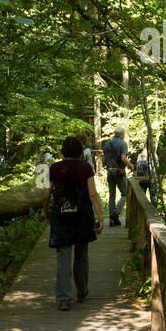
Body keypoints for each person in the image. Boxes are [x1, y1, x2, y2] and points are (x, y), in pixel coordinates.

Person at [43, 134, 103, 310]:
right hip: (82, 216)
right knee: (82, 254)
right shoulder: (86, 168)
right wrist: (100, 217)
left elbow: (46, 194)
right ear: (79, 150)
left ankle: (63, 298)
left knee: (63, 256)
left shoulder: (54, 169)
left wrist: (45, 211)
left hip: (61, 217)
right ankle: (82, 291)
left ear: (63, 151)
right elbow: (92, 194)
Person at [102, 126, 130, 226]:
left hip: (109, 171)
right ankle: (116, 212)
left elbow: (104, 160)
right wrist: (131, 165)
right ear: (122, 134)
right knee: (125, 194)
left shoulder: (107, 144)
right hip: (119, 171)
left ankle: (112, 220)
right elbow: (123, 158)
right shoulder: (123, 143)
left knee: (112, 196)